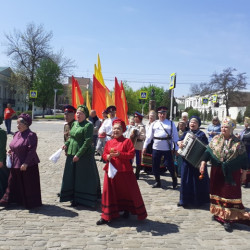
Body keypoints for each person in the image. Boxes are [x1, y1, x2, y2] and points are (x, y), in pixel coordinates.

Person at [200, 117, 250, 232]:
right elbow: (207, 152)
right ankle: (218, 214)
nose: (223, 128)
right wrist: (203, 163)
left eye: (226, 127)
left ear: (232, 129)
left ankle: (228, 219)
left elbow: (243, 159)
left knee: (229, 194)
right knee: (217, 192)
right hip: (217, 171)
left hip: (232, 173)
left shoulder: (238, 143)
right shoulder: (215, 139)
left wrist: (244, 174)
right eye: (222, 126)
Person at [96, 119, 147, 225]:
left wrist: (120, 154)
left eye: (118, 128)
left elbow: (131, 155)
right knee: (108, 192)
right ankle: (106, 215)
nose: (116, 131)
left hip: (124, 171)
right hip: (111, 171)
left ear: (123, 130)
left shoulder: (127, 141)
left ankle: (126, 209)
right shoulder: (109, 142)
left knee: (126, 192)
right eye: (114, 128)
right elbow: (104, 154)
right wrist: (108, 157)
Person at [60, 105, 101, 207]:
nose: (78, 115)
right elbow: (71, 137)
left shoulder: (88, 125)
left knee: (81, 178)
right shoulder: (74, 124)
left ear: (85, 115)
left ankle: (83, 199)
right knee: (71, 176)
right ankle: (71, 196)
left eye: (81, 113)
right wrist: (66, 144)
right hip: (71, 153)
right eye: (77, 113)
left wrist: (78, 154)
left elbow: (87, 142)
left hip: (83, 156)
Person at [0, 113, 42, 209]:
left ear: (26, 124)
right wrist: (11, 150)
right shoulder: (16, 134)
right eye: (17, 123)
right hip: (15, 162)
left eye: (20, 124)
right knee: (12, 182)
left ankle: (30, 202)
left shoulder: (31, 135)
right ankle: (7, 200)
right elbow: (14, 145)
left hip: (28, 164)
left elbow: (32, 150)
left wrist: (26, 163)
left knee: (27, 185)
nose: (17, 126)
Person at [177, 116, 210, 208]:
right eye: (191, 122)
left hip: (197, 162)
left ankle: (197, 200)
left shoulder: (201, 135)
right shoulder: (186, 133)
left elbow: (206, 148)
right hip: (186, 161)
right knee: (185, 180)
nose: (192, 124)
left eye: (195, 122)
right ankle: (184, 200)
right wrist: (179, 143)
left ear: (198, 125)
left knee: (196, 181)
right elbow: (179, 141)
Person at [142, 106, 178, 189]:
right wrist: (145, 146)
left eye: (164, 114)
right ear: (158, 114)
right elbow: (149, 137)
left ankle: (174, 180)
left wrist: (176, 149)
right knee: (155, 166)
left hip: (167, 148)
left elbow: (175, 137)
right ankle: (158, 182)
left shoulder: (171, 123)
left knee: (170, 166)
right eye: (161, 114)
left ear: (166, 114)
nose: (162, 115)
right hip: (156, 148)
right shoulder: (154, 123)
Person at [132, 112, 146, 180]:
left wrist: (137, 136)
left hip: (138, 145)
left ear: (139, 118)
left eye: (136, 117)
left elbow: (143, 136)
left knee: (138, 160)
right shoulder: (134, 125)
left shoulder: (142, 127)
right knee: (130, 158)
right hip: (132, 144)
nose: (134, 118)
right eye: (134, 117)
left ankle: (137, 174)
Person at [0, 117, 10, 199]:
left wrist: (0, 160)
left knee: (3, 178)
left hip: (1, 159)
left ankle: (4, 196)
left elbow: (1, 148)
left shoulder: (2, 132)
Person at [240, 117, 250, 188]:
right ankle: (242, 180)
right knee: (242, 165)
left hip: (249, 150)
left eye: (245, 122)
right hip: (243, 150)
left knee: (247, 166)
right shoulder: (244, 130)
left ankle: (247, 181)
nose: (244, 123)